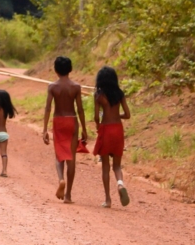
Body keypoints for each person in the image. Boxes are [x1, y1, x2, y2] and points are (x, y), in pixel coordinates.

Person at [42, 55, 88, 204]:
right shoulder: (75, 87)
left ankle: (61, 179)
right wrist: (84, 129)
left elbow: (48, 108)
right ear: (70, 69)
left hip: (58, 121)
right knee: (71, 157)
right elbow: (80, 109)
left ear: (55, 70)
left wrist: (44, 129)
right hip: (72, 121)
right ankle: (68, 196)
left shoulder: (52, 87)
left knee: (59, 155)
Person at [93, 66, 131, 208]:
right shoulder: (119, 94)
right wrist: (117, 115)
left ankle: (108, 200)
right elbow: (127, 114)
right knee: (117, 165)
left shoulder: (98, 95)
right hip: (118, 130)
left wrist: (98, 124)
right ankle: (120, 184)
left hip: (106, 130)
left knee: (105, 167)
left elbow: (96, 116)